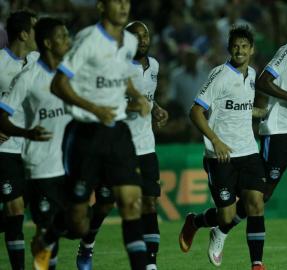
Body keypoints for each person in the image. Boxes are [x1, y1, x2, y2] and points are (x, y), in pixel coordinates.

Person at [179, 9, 287, 270]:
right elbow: (264, 82)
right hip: (276, 135)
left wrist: (267, 110)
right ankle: (212, 226)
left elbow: (247, 98)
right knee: (254, 201)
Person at [31, 0, 150, 269]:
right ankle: (47, 239)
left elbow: (120, 73)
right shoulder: (88, 41)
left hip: (118, 131)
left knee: (131, 205)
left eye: (126, 1)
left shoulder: (129, 42)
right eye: (115, 2)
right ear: (101, 6)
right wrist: (94, 108)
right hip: (86, 134)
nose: (122, 6)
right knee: (77, 220)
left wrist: (137, 95)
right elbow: (58, 83)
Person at [75, 20, 168, 270]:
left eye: (145, 36)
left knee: (149, 202)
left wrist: (156, 109)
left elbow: (148, 96)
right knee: (105, 204)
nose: (143, 40)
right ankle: (87, 243)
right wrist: (131, 106)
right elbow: (104, 103)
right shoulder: (115, 67)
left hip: (146, 146)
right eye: (136, 36)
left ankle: (150, 264)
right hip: (116, 146)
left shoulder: (154, 66)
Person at [179, 25, 267, 270]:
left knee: (256, 203)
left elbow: (238, 106)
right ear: (230, 49)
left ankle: (257, 264)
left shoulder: (251, 74)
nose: (240, 50)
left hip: (248, 151)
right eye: (236, 46)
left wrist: (261, 113)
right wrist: (215, 141)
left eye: (244, 46)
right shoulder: (219, 75)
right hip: (222, 156)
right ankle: (196, 223)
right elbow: (195, 112)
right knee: (226, 217)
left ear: (252, 50)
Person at [0, 17, 71, 270]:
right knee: (17, 210)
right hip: (20, 155)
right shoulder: (13, 69)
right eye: (63, 36)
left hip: (53, 158)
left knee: (69, 221)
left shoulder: (56, 69)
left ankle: (42, 244)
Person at [0, 10, 38, 270]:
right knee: (14, 208)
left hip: (36, 151)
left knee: (24, 213)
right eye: (35, 29)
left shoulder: (39, 60)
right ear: (24, 34)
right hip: (6, 147)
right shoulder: (0, 62)